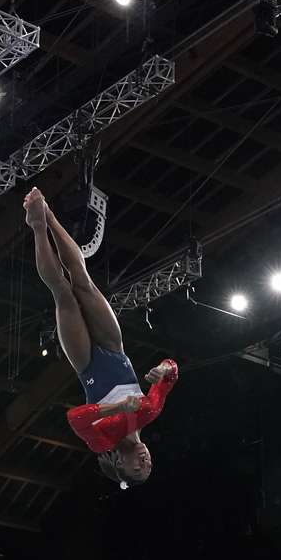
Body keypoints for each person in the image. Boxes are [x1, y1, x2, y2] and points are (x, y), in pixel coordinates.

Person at [24, 187, 178, 488]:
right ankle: (51, 217)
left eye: (137, 469)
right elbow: (171, 374)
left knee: (64, 295)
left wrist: (120, 408)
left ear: (120, 464)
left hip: (86, 364)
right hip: (113, 348)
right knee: (82, 281)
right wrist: (164, 369)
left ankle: (37, 227)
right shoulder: (149, 412)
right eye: (149, 465)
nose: (144, 462)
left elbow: (76, 417)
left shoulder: (102, 441)